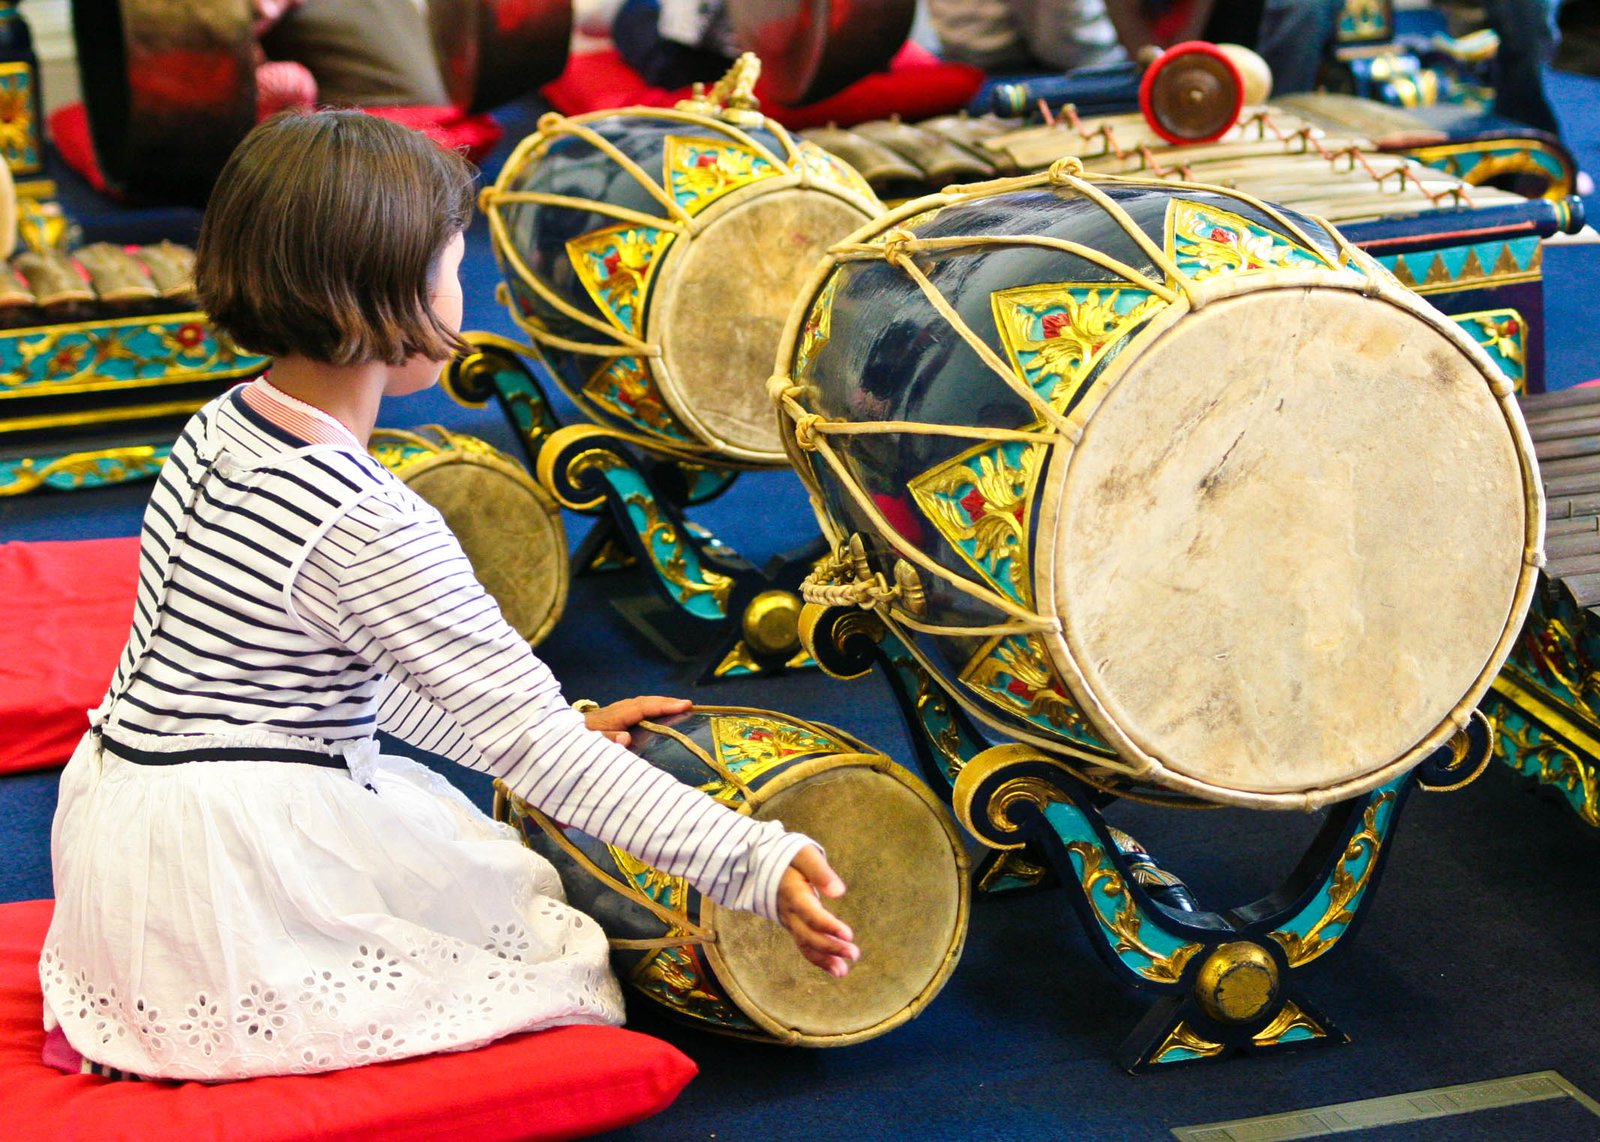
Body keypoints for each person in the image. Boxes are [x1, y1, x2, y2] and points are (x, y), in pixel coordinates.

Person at [37, 109, 859, 1083]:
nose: (462, 299)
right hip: (224, 868)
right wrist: (749, 859)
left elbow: (301, 669)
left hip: (121, 824)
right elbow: (534, 754)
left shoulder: (218, 428)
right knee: (552, 958)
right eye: (451, 273)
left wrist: (563, 722)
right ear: (376, 294)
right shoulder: (367, 519)